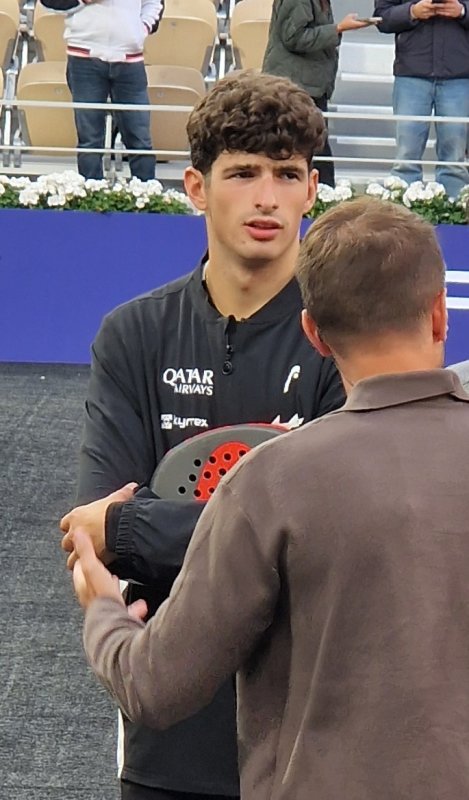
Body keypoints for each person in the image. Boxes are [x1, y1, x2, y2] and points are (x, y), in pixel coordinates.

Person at [70, 196, 469, 800]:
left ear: (313, 333)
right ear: (440, 314)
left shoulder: (270, 481)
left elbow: (155, 686)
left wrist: (104, 608)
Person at [59, 71, 345, 800]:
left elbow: (345, 538)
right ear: (195, 187)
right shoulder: (133, 335)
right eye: (243, 172)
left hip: (318, 731)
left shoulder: (347, 337)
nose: (266, 197)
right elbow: (94, 533)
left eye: (287, 174)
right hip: (171, 724)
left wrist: (139, 523)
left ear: (311, 191)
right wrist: (275, 533)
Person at [40, 0, 163, 181]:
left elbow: (154, 3)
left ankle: (147, 199)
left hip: (130, 62)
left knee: (140, 138)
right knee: (89, 140)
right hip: (83, 58)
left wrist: (140, 30)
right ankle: (91, 198)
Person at [262, 0, 375, 187]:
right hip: (292, 91)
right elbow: (294, 37)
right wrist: (338, 28)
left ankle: (319, 200)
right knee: (307, 151)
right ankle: (319, 202)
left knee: (314, 152)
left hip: (308, 88)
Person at [374, 0, 469, 198]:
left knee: (454, 156)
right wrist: (412, 12)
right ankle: (403, 212)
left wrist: (462, 11)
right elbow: (381, 18)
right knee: (407, 153)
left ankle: (455, 209)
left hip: (459, 75)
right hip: (411, 74)